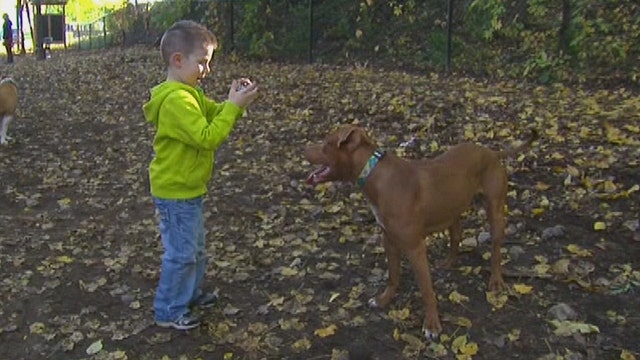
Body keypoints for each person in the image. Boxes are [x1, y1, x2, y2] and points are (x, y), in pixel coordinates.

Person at [143, 20, 258, 330]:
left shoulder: (188, 92)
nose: (206, 70)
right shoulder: (177, 101)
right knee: (181, 254)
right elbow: (207, 136)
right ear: (178, 60)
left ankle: (188, 295)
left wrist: (235, 101)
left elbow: (216, 112)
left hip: (189, 189)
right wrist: (233, 108)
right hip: (175, 191)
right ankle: (168, 309)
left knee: (196, 250)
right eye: (202, 63)